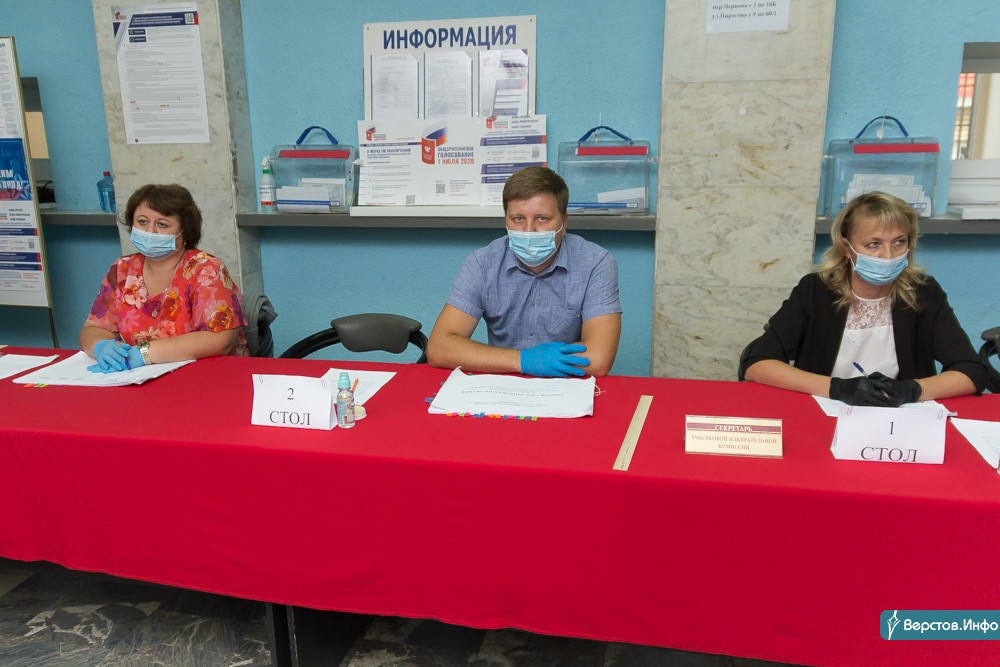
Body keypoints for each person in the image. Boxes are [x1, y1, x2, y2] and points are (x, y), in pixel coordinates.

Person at [742, 191, 987, 405]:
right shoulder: (816, 291)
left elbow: (972, 371)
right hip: (823, 415)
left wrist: (912, 390)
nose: (888, 255)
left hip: (901, 421)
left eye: (899, 242)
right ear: (846, 249)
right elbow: (757, 364)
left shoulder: (923, 292)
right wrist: (837, 388)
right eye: (873, 244)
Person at [426, 166, 622, 377]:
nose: (529, 231)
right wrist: (523, 360)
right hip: (502, 382)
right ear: (506, 220)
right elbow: (439, 348)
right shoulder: (481, 264)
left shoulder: (596, 263)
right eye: (518, 219)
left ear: (564, 223)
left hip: (567, 385)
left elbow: (599, 358)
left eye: (542, 218)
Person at [80, 183, 248, 372]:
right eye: (142, 222)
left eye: (162, 225)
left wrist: (144, 354)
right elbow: (93, 328)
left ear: (185, 231)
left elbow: (221, 340)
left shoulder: (206, 269)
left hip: (207, 375)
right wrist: (100, 346)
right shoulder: (122, 269)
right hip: (139, 378)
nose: (150, 231)